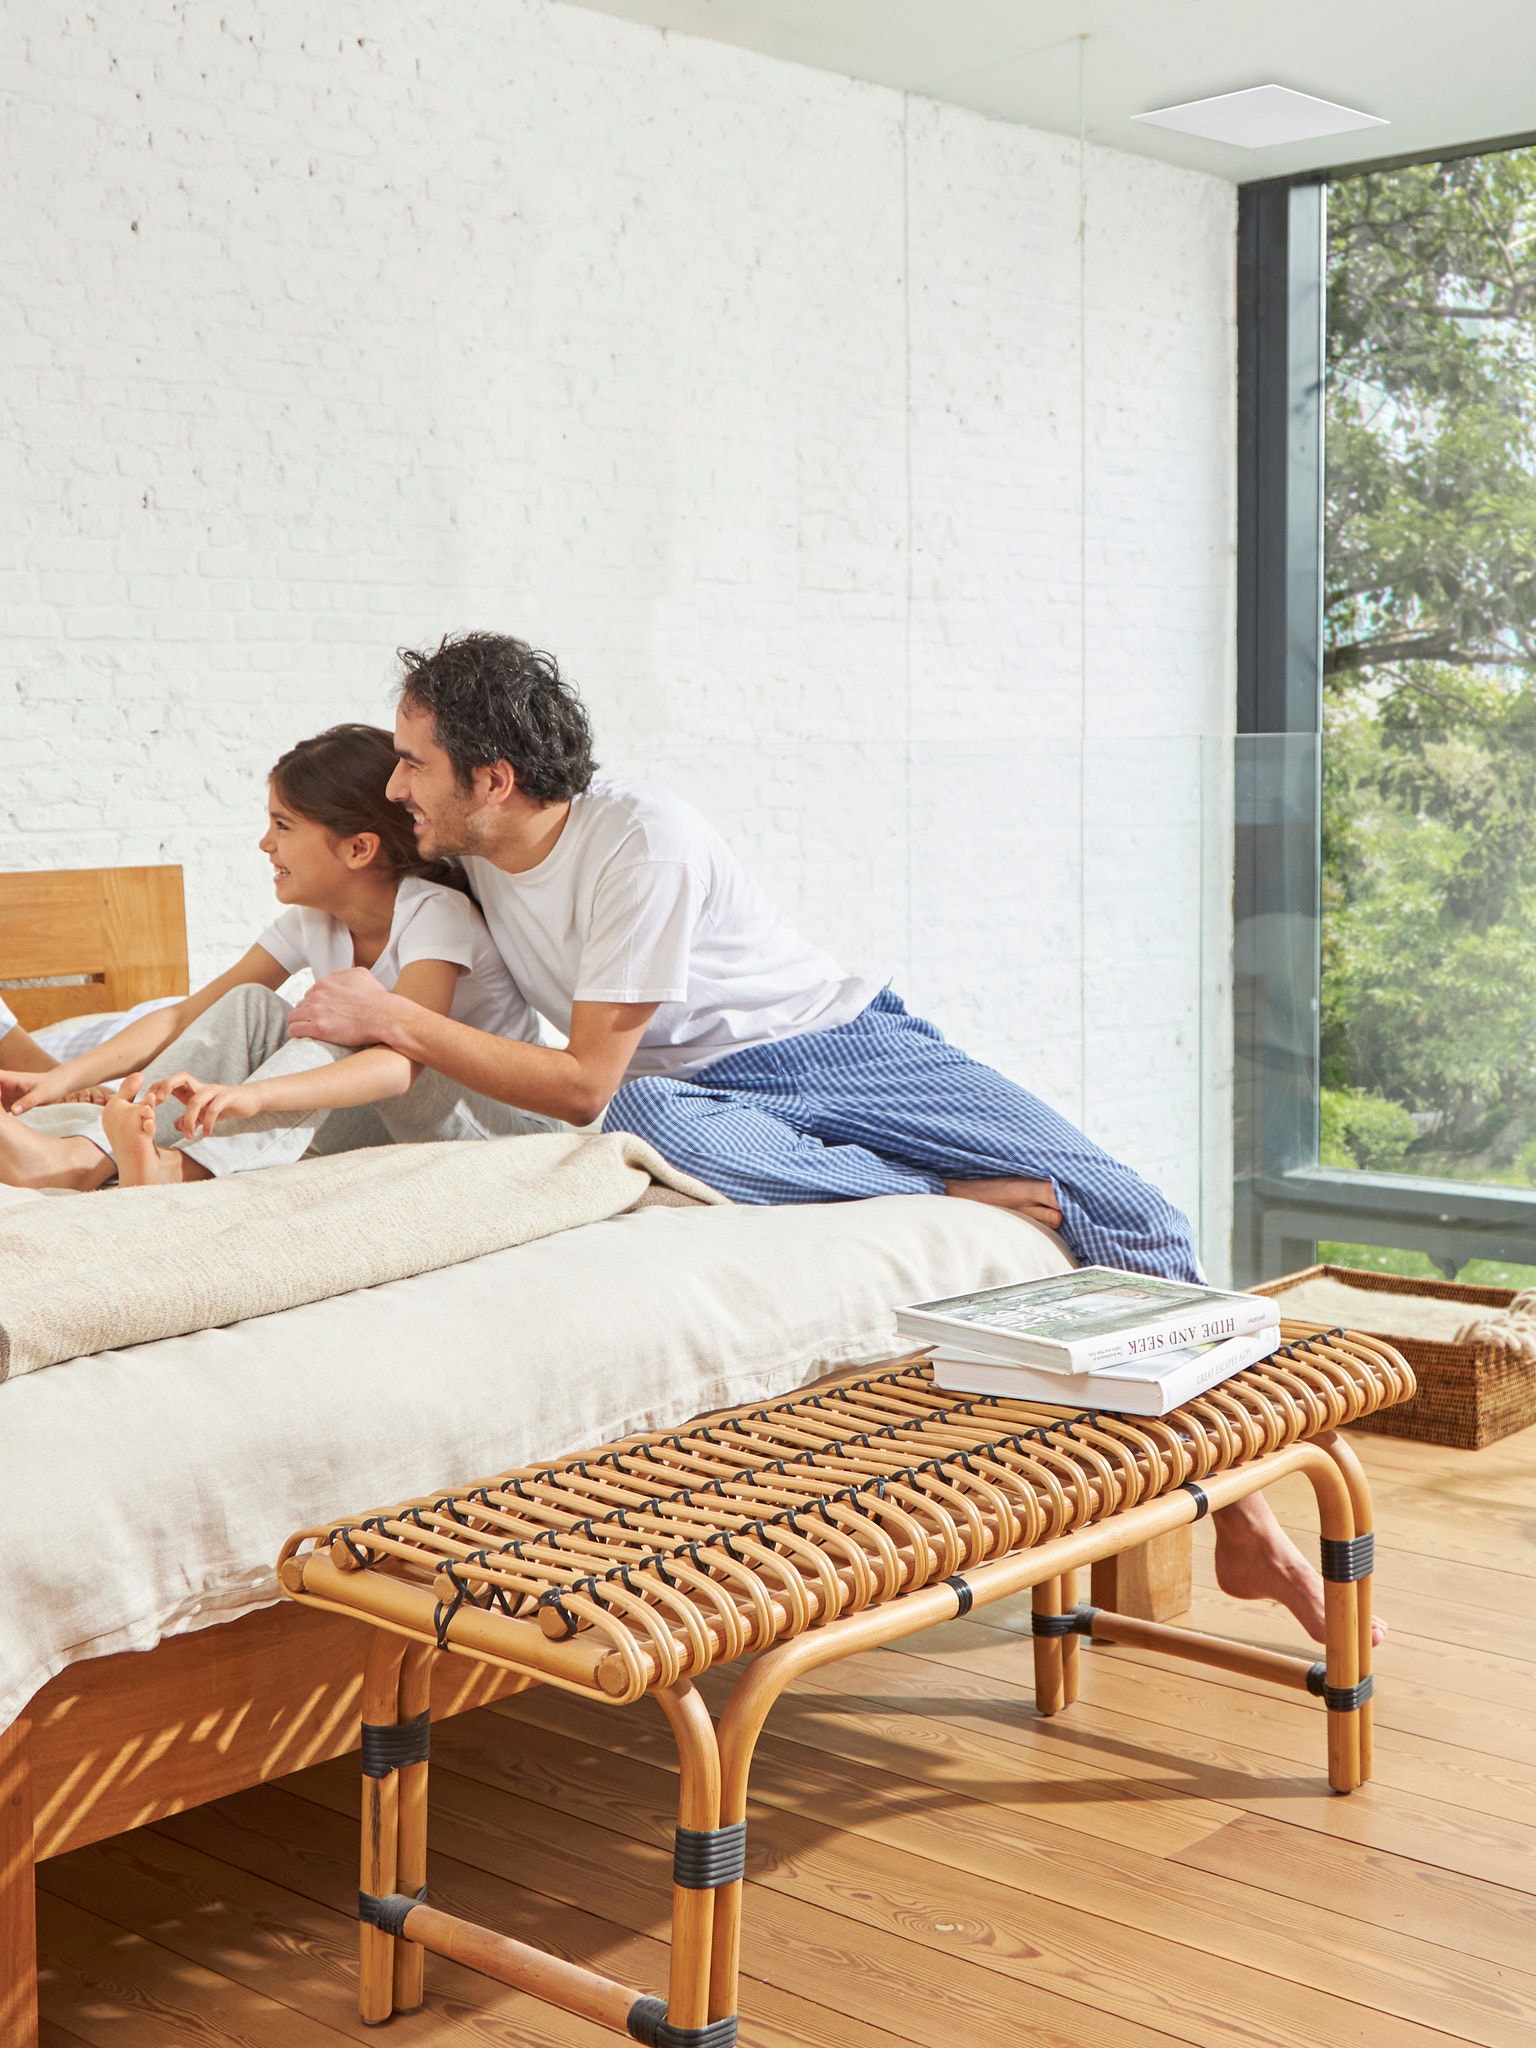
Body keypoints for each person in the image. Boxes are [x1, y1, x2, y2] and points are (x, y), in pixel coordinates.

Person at [281, 633, 1378, 1646]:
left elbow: (576, 1082)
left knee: (1132, 1211)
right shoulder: (457, 858)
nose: (395, 781)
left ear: (494, 779)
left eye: (416, 760)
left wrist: (393, 1017)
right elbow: (347, 908)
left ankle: (1245, 1518)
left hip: (833, 1045)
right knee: (645, 1119)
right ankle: (941, 1190)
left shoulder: (639, 841)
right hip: (693, 1097)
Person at [0, 723, 555, 1191]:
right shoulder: (312, 920)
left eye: (283, 826)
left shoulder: (435, 915)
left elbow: (399, 1063)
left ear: (358, 848)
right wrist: (57, 1079)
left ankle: (173, 1170)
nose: (265, 844)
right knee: (251, 1003)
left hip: (501, 1135)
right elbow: (181, 1016)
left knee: (344, 1020)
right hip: (391, 1118)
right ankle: (84, 1159)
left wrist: (252, 1096)